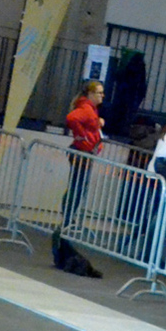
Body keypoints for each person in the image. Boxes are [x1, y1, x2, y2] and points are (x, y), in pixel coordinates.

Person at [62, 80, 105, 226]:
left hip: (84, 152)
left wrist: (96, 123)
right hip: (82, 152)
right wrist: (82, 136)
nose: (102, 95)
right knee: (77, 187)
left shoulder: (90, 109)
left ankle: (68, 217)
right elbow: (71, 118)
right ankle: (68, 218)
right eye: (99, 93)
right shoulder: (87, 109)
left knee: (77, 186)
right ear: (91, 94)